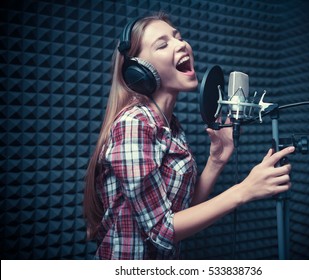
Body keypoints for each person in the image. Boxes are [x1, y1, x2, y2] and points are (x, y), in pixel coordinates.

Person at [83, 12, 295, 260]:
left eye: (178, 37)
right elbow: (162, 229)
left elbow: (183, 212)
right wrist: (244, 190)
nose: (181, 44)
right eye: (163, 44)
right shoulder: (133, 125)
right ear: (139, 71)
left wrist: (216, 160)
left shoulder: (170, 126)